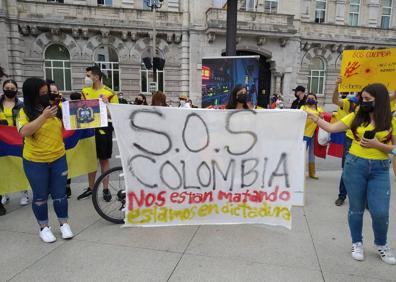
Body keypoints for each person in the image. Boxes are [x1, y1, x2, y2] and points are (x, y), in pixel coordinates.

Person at [306, 83, 396, 265]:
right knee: (356, 209)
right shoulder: (356, 116)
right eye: (363, 99)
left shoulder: (390, 120)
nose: (364, 103)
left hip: (380, 169)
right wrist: (314, 118)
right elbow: (332, 128)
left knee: (380, 212)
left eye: (368, 100)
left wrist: (378, 146)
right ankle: (357, 243)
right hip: (355, 165)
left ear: (380, 100)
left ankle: (382, 244)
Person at [17, 77, 73, 243]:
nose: (45, 95)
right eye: (41, 93)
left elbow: (78, 115)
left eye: (46, 92)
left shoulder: (57, 107)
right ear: (32, 94)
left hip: (58, 158)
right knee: (40, 196)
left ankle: (64, 224)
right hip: (35, 161)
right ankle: (44, 228)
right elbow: (24, 131)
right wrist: (44, 116)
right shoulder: (23, 112)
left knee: (60, 195)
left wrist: (99, 104)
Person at [77, 65, 119, 201]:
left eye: (88, 75)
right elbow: (80, 111)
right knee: (90, 159)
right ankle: (91, 188)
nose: (86, 78)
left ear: (96, 76)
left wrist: (106, 105)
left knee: (104, 159)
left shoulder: (110, 93)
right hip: (88, 130)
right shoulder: (84, 91)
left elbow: (115, 115)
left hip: (104, 129)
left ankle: (106, 189)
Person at [0, 79, 30, 211]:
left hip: (16, 138)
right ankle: (5, 192)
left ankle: (24, 193)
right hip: (2, 139)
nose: (10, 90)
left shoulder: (21, 105)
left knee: (19, 165)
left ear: (16, 90)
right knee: (4, 167)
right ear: (3, 88)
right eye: (7, 87)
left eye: (12, 88)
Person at [332, 78, 360, 206]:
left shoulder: (378, 102)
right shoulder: (352, 102)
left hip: (368, 141)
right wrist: (337, 86)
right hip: (350, 139)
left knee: (364, 170)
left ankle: (364, 200)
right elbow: (335, 101)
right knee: (346, 168)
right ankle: (342, 196)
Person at [46, 79, 73, 198]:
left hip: (64, 140)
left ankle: (66, 186)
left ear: (58, 92)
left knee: (65, 165)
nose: (53, 93)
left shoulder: (64, 105)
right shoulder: (43, 106)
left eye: (55, 91)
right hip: (48, 142)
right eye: (50, 91)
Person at [301, 93, 323, 179]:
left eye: (312, 98)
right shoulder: (303, 108)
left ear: (316, 100)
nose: (310, 99)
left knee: (312, 154)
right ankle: (300, 172)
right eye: (309, 98)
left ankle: (312, 173)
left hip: (314, 135)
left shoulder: (320, 109)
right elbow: (304, 113)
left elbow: (323, 118)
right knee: (302, 154)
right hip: (304, 134)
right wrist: (316, 114)